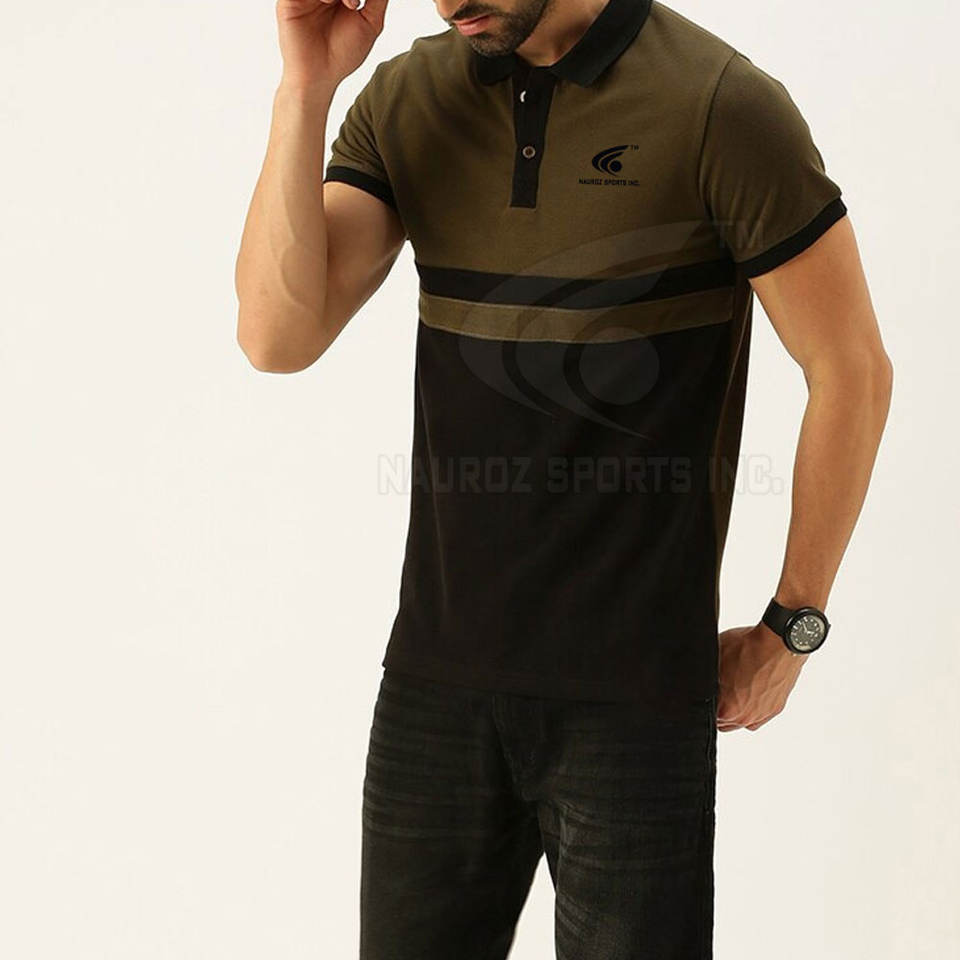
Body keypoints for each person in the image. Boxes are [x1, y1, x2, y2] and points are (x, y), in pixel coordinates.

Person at [234, 0, 893, 956]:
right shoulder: (408, 97)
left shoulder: (718, 104)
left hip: (633, 707)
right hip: (435, 689)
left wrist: (794, 626)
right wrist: (305, 89)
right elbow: (275, 337)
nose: (450, 2)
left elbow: (852, 370)